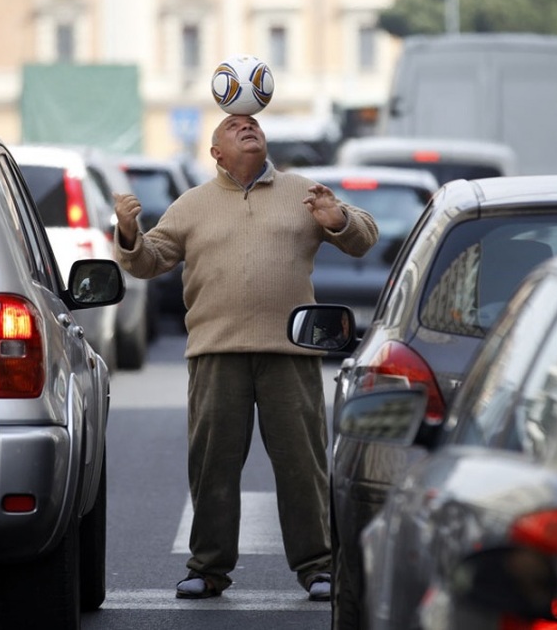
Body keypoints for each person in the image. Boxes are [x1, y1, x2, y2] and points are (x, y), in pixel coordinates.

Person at [112, 114, 379, 602]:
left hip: (290, 351)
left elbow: (364, 237)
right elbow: (150, 260)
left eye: (253, 123)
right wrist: (129, 233)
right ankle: (208, 568)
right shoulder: (192, 203)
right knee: (213, 463)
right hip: (216, 352)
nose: (247, 127)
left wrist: (337, 218)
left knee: (302, 464)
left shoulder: (304, 191)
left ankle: (318, 567)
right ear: (216, 152)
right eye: (234, 126)